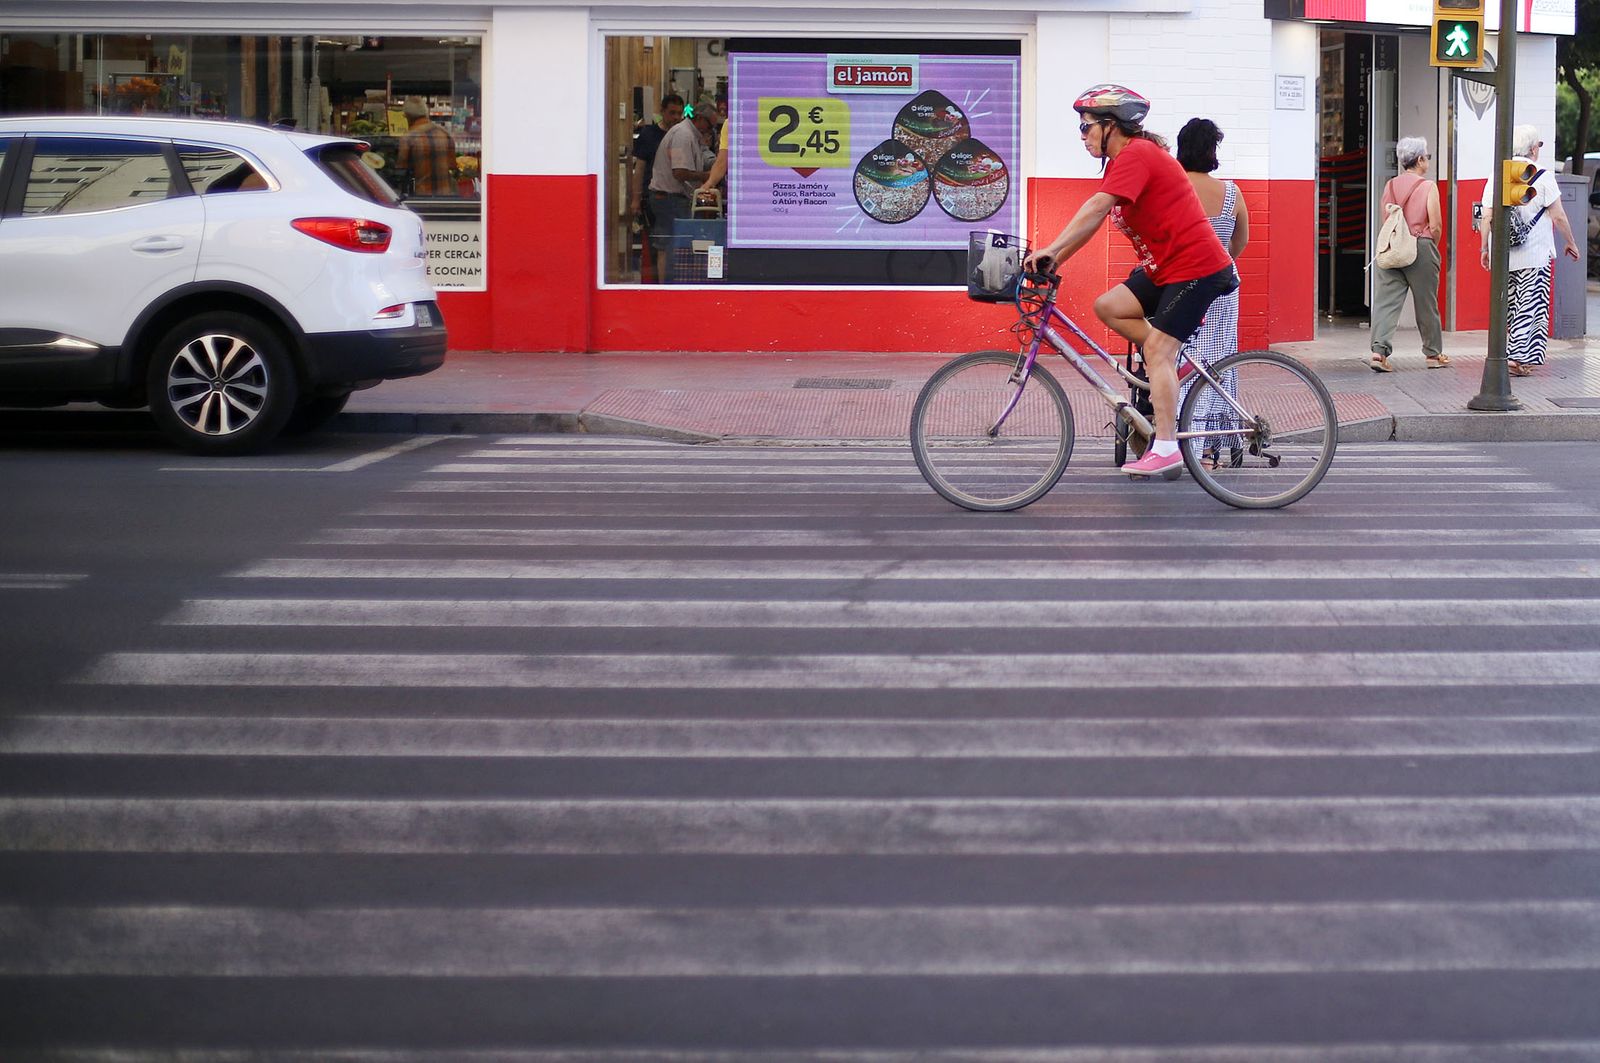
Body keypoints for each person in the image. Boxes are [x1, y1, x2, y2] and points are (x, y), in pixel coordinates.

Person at [1024, 84, 1238, 479]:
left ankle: (1167, 447)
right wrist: (1057, 258)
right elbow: (1094, 220)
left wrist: (1051, 249)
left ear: (1112, 126)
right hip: (1166, 269)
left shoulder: (1137, 154)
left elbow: (1096, 208)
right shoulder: (1122, 162)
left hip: (1197, 267)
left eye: (1086, 126)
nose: (1082, 135)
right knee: (1109, 307)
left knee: (1156, 349)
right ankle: (1167, 362)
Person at [1479, 125, 1582, 377]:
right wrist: (1570, 241)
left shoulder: (1497, 175)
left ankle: (1515, 356)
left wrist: (1484, 247)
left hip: (1504, 255)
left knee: (1510, 305)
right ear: (1533, 148)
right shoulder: (1543, 176)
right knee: (1530, 305)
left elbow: (1487, 215)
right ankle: (1518, 358)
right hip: (1534, 254)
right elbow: (1558, 215)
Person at [1175, 117, 1249, 468]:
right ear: (1212, 150)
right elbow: (1240, 242)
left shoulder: (1173, 190)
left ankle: (1181, 439)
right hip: (1223, 285)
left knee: (1181, 360)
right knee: (1217, 362)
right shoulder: (1232, 193)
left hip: (1180, 283)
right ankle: (1209, 446)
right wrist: (1218, 261)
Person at [1368, 137, 1445, 373]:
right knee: (1426, 302)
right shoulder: (1428, 186)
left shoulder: (1390, 185)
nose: (1427, 161)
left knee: (1386, 301)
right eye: (1427, 157)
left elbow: (1387, 219)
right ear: (1420, 160)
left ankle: (1379, 353)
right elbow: (1436, 225)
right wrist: (1431, 246)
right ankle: (1433, 354)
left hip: (1393, 247)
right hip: (1420, 245)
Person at [647, 96, 718, 282]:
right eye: (709, 126)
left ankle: (669, 285)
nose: (710, 130)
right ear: (699, 119)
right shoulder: (683, 135)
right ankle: (668, 286)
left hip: (671, 197)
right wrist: (707, 177)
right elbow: (679, 172)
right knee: (671, 246)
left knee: (671, 245)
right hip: (669, 198)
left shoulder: (689, 135)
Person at [629, 93, 685, 280]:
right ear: (662, 112)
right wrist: (636, 199)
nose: (676, 117)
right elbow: (639, 167)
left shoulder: (680, 136)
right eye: (672, 113)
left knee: (670, 244)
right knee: (655, 244)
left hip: (674, 196)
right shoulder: (649, 134)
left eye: (679, 113)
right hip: (651, 196)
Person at [396, 97, 457, 198]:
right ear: (426, 113)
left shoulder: (408, 137)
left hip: (422, 196)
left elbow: (401, 169)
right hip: (445, 196)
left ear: (408, 116)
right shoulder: (444, 133)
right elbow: (452, 166)